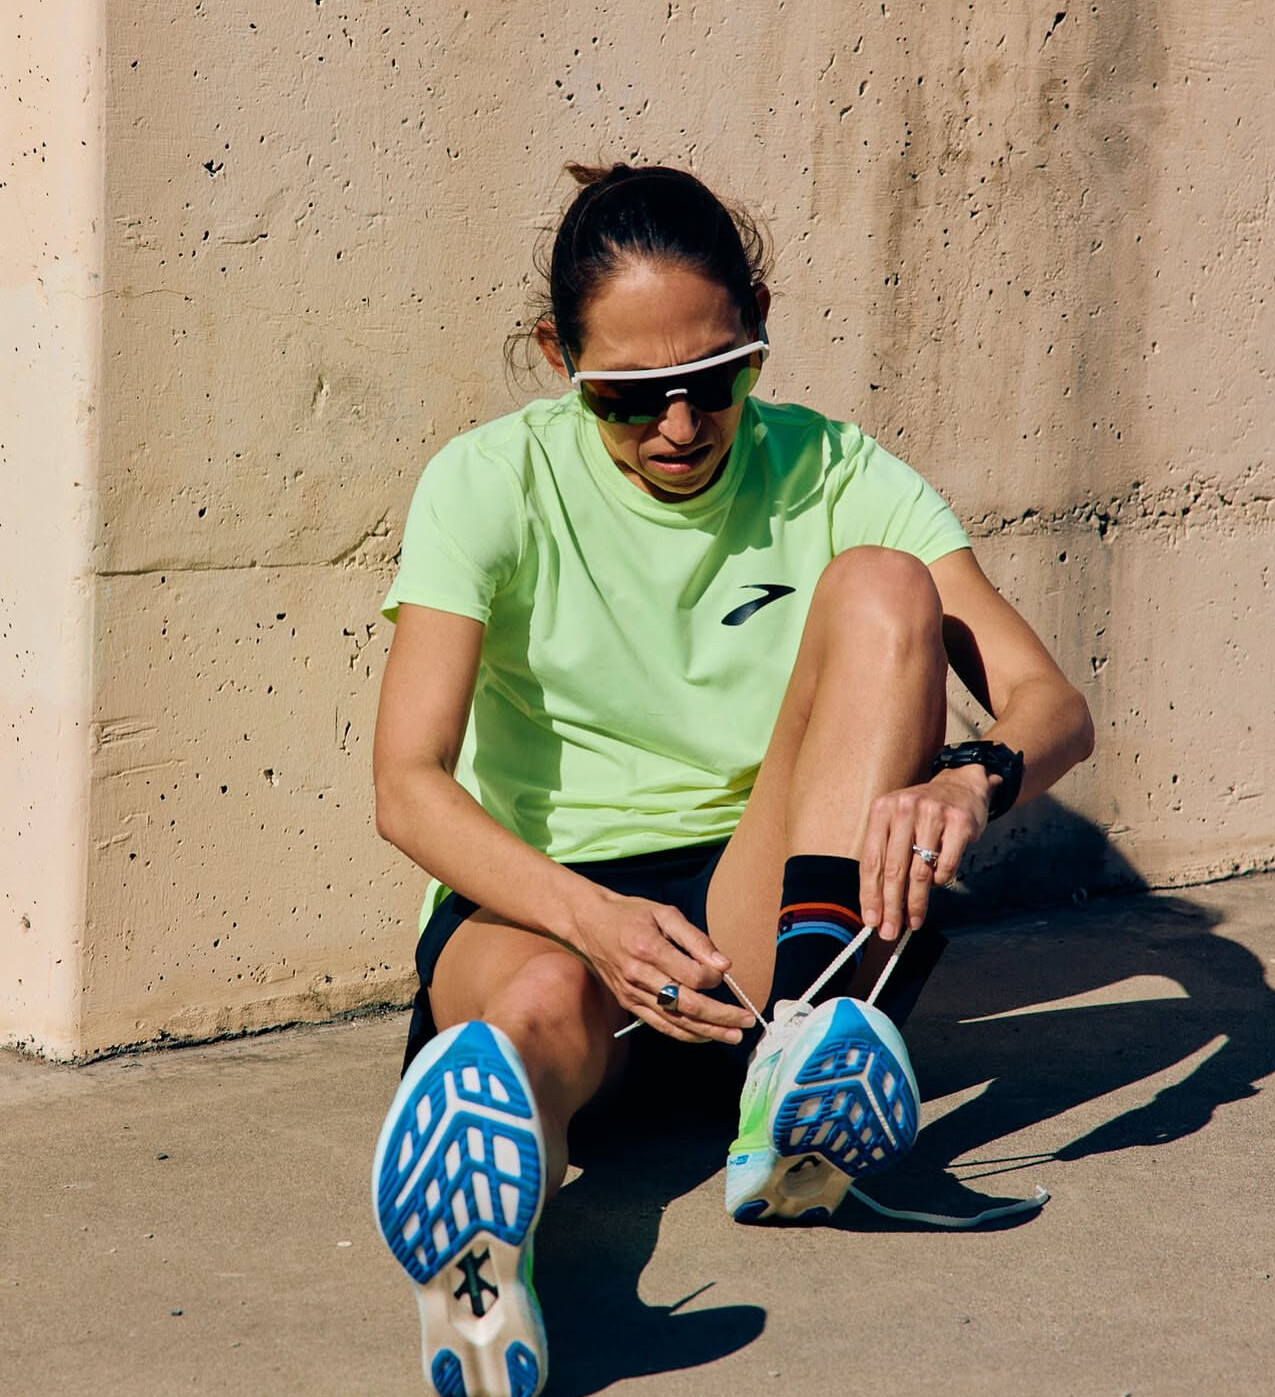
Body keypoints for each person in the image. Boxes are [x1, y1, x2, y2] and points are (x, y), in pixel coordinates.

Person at [368, 162, 1093, 1397]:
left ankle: (801, 1064)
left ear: (759, 323)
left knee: (886, 584)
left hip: (760, 928)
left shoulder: (833, 468)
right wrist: (595, 918)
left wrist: (972, 781)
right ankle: (483, 1273)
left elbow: (1050, 704)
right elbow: (406, 783)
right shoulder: (488, 481)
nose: (678, 426)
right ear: (557, 357)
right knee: (531, 1008)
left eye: (715, 378)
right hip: (552, 907)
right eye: (627, 397)